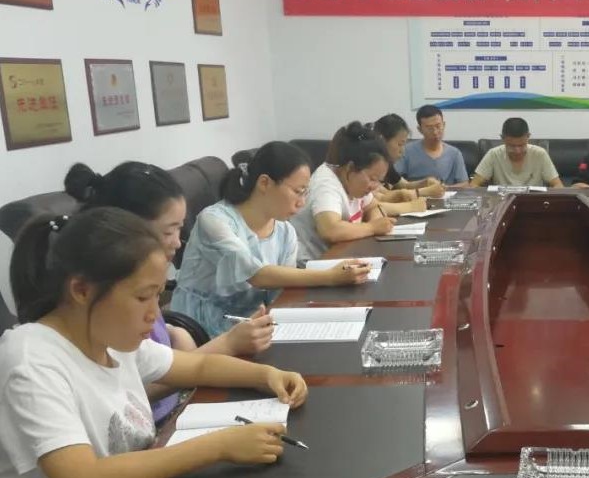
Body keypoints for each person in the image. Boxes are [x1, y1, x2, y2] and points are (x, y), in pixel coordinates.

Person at [0, 208, 308, 478]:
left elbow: (196, 366)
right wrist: (219, 446)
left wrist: (266, 375)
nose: (155, 313)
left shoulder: (107, 335)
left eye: (158, 295)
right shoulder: (30, 360)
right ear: (81, 290)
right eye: (143, 297)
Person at [64, 162, 275, 425]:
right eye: (169, 231)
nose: (178, 241)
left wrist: (175, 333)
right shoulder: (101, 323)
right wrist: (227, 344)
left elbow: (163, 363)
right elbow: (128, 398)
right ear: (126, 229)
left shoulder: (123, 310)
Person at [171, 142, 370, 337]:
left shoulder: (285, 231)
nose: (302, 202)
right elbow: (256, 274)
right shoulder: (215, 220)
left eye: (305, 192)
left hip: (253, 323)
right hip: (199, 328)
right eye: (297, 191)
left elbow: (283, 289)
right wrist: (330, 277)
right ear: (264, 183)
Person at [292, 122, 396, 261]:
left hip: (343, 257)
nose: (375, 186)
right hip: (313, 265)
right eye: (372, 178)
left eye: (379, 180)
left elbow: (374, 206)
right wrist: (372, 228)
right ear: (350, 168)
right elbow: (330, 230)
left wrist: (376, 221)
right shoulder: (326, 184)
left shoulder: (354, 182)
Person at [469, 117, 563, 188]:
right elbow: (473, 185)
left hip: (533, 203)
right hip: (502, 203)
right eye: (512, 146)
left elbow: (558, 185)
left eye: (521, 145)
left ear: (528, 136)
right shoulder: (494, 154)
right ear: (502, 138)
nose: (517, 151)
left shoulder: (540, 154)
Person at [372, 113, 445, 201]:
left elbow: (404, 185)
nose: (402, 151)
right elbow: (385, 197)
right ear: (382, 141)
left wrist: (425, 182)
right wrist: (424, 192)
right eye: (400, 144)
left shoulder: (386, 164)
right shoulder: (369, 164)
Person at [395, 105, 468, 185]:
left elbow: (464, 184)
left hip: (445, 192)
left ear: (444, 125)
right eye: (429, 128)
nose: (435, 132)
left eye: (438, 126)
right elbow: (394, 180)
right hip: (416, 192)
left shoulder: (455, 153)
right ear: (420, 129)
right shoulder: (406, 151)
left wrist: (443, 189)